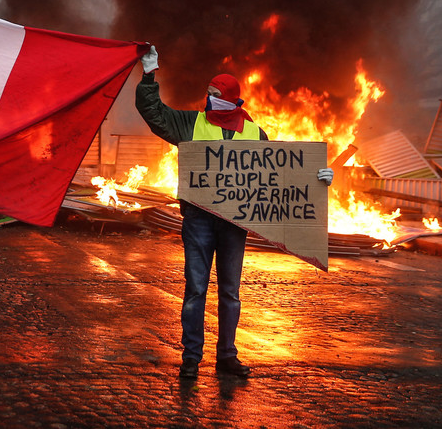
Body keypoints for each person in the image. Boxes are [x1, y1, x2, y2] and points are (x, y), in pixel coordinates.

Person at [134, 46, 333, 380]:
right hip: (198, 219)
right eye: (208, 94)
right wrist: (149, 75)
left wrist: (317, 178)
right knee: (196, 289)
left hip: (234, 223)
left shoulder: (255, 134)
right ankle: (191, 358)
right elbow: (154, 113)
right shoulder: (190, 123)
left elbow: (279, 176)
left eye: (216, 95)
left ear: (232, 98)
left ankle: (226, 356)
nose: (210, 100)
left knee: (230, 292)